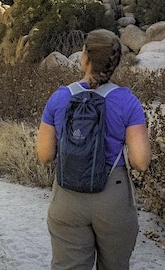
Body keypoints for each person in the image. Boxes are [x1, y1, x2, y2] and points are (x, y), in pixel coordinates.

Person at [36, 29, 151, 269]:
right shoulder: (128, 101)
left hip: (68, 196)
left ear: (85, 58)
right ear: (115, 62)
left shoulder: (59, 98)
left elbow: (45, 156)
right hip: (112, 196)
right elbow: (140, 162)